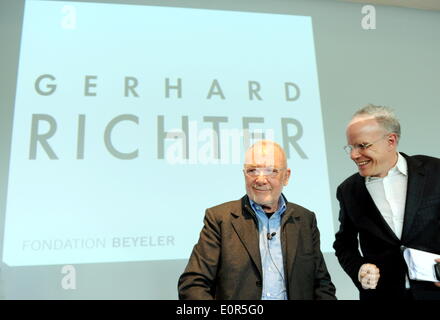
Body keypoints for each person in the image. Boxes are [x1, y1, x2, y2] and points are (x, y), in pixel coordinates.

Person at [178, 140, 336, 300]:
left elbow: (322, 286)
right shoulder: (220, 219)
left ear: (286, 176)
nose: (260, 179)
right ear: (244, 174)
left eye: (271, 171)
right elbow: (192, 285)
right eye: (252, 170)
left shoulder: (305, 220)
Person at [333, 104, 440, 300]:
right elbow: (344, 244)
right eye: (351, 147)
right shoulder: (349, 190)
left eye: (362, 146)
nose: (353, 155)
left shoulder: (435, 172)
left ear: (391, 140)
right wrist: (360, 269)